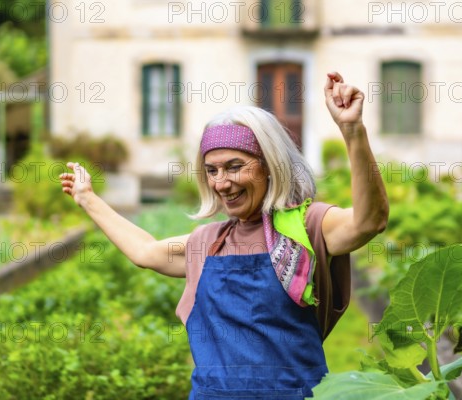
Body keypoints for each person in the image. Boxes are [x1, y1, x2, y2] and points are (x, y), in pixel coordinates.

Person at [59, 71, 389, 399]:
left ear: (269, 165)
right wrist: (88, 199)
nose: (221, 183)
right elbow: (145, 251)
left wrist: (352, 131)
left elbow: (368, 222)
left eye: (234, 166)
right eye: (212, 171)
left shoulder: (308, 226)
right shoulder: (207, 243)